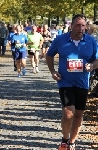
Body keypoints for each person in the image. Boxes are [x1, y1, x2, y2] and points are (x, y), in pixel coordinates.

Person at [46, 14, 98, 150]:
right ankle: (64, 139)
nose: (80, 28)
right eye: (77, 25)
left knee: (79, 114)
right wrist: (52, 71)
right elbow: (49, 54)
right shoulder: (61, 39)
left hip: (83, 83)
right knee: (68, 113)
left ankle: (72, 141)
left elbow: (96, 59)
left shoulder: (91, 41)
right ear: (71, 26)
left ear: (86, 26)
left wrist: (92, 66)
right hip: (65, 82)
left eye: (83, 25)